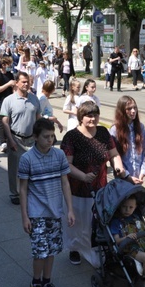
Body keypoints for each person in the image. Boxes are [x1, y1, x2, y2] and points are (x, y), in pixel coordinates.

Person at [60, 101, 126, 266]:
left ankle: (94, 249)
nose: (93, 118)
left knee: (94, 222)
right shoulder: (72, 136)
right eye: (89, 115)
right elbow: (66, 164)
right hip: (77, 188)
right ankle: (74, 248)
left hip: (100, 187)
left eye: (95, 115)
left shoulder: (103, 132)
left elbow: (114, 155)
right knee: (78, 222)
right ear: (81, 117)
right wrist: (82, 176)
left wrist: (118, 167)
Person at [19, 118, 75, 287]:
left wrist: (69, 210)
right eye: (46, 137)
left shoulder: (58, 156)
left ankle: (47, 282)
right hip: (37, 214)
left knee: (52, 250)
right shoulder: (27, 159)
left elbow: (65, 183)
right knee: (40, 251)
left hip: (55, 212)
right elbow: (23, 189)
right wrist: (25, 216)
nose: (50, 140)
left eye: (52, 136)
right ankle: (36, 283)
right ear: (35, 137)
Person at [1, 71, 41, 205]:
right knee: (14, 168)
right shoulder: (9, 100)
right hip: (16, 138)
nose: (26, 84)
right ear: (16, 83)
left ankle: (30, 191)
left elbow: (38, 119)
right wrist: (10, 140)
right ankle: (14, 193)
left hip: (31, 139)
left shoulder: (34, 99)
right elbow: (5, 121)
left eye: (28, 81)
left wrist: (40, 136)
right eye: (23, 81)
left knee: (32, 168)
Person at [109, 96, 145, 184]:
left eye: (134, 107)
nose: (133, 111)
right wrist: (127, 176)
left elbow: (144, 152)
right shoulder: (115, 130)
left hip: (138, 177)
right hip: (122, 178)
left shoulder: (140, 127)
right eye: (129, 108)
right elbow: (113, 157)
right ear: (122, 110)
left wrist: (142, 171)